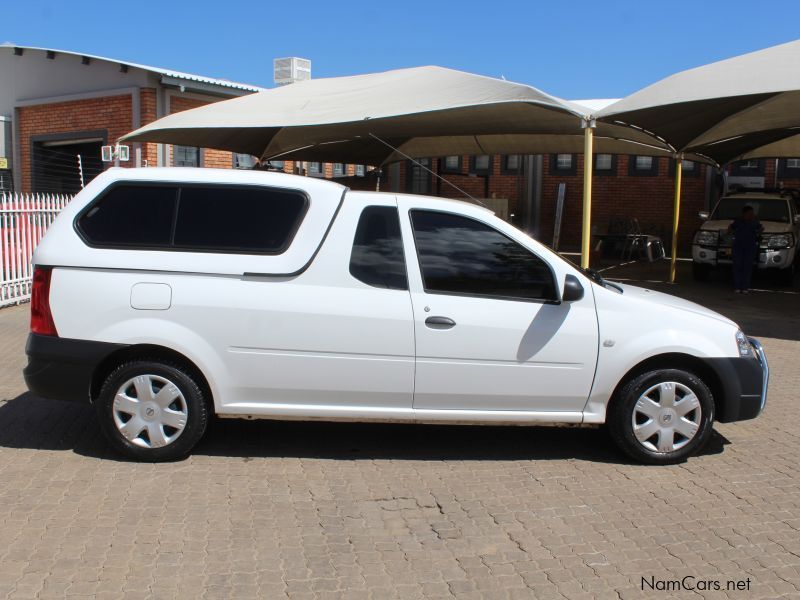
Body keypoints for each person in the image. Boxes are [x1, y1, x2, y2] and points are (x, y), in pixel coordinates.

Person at [729, 205, 762, 294]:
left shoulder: (755, 222)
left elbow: (760, 229)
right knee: (737, 266)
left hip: (750, 247)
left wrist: (758, 232)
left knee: (747, 267)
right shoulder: (738, 221)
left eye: (752, 213)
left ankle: (745, 287)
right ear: (744, 214)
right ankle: (737, 286)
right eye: (749, 213)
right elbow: (730, 228)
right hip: (738, 247)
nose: (751, 215)